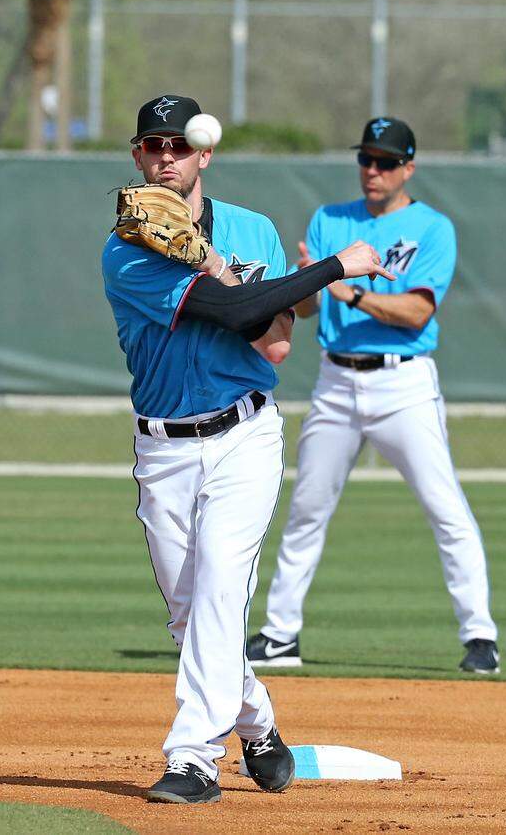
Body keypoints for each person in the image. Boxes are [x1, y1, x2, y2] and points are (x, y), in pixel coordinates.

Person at [101, 95, 394, 804]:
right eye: (152, 146)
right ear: (138, 158)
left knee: (221, 595)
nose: (165, 157)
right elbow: (234, 313)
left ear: (205, 154)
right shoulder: (125, 249)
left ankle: (194, 759)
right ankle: (258, 725)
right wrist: (333, 267)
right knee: (188, 614)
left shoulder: (252, 230)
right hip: (163, 450)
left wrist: (222, 265)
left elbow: (276, 342)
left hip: (243, 436)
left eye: (179, 144)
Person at [245, 116, 501, 675]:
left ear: (409, 167)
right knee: (308, 509)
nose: (373, 170)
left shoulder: (433, 228)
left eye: (386, 162)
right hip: (336, 381)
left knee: (444, 506)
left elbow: (416, 311)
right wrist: (306, 282)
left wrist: (349, 290)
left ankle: (480, 635)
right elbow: (308, 308)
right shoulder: (330, 220)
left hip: (403, 381)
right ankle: (280, 634)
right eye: (366, 159)